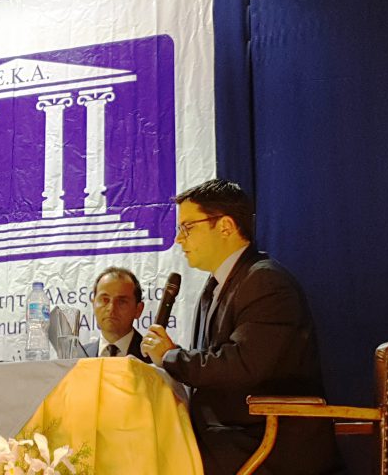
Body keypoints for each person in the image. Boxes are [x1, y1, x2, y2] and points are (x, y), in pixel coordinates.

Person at [140, 179, 341, 475]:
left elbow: (242, 365)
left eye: (187, 227)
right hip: (228, 434)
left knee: (151, 460)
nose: (179, 239)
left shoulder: (266, 282)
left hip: (265, 441)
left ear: (225, 226)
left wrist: (171, 356)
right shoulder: (216, 286)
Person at [82, 267, 151, 362]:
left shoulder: (156, 357)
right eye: (105, 300)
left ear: (138, 310)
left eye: (122, 302)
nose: (111, 308)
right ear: (93, 304)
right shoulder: (78, 357)